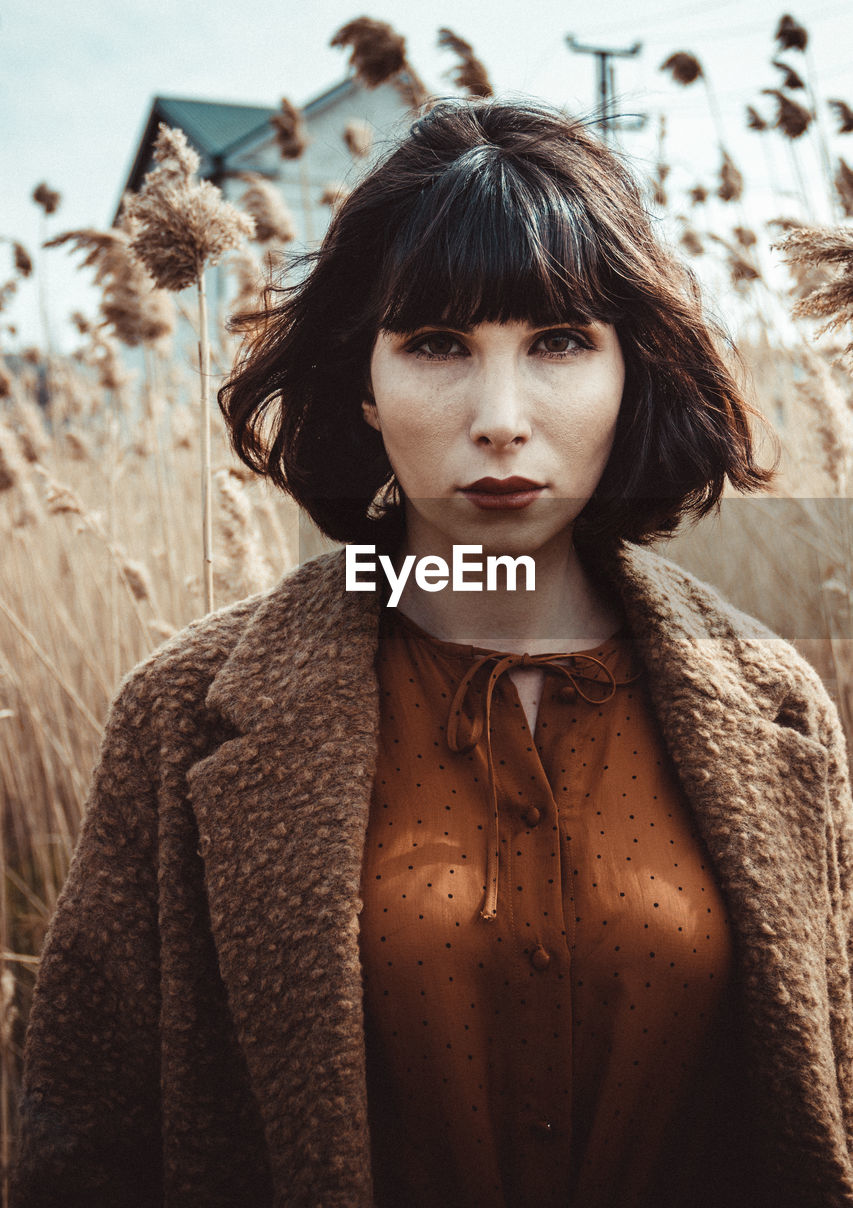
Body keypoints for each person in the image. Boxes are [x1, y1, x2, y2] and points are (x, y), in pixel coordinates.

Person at [13, 97, 853, 1208]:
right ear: (364, 383)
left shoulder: (775, 704)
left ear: (628, 370)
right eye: (437, 343)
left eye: (557, 341)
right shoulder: (179, 711)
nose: (499, 415)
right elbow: (85, 1149)